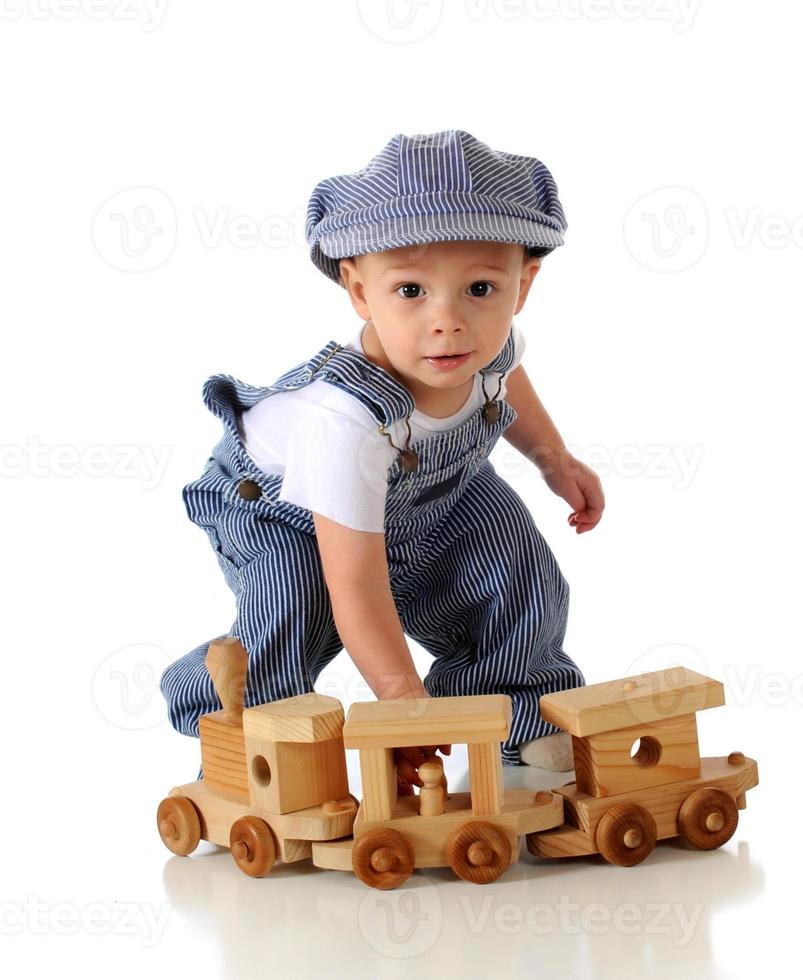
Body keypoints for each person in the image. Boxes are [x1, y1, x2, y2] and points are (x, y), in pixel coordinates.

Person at [160, 130, 604, 789]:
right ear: (360, 291)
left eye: (480, 288)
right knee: (294, 604)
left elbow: (504, 378)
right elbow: (360, 587)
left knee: (514, 562)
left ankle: (516, 704)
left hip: (428, 488)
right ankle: (247, 730)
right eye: (410, 291)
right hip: (284, 512)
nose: (448, 321)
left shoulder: (488, 342)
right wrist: (404, 709)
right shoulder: (345, 424)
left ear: (523, 284)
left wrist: (552, 458)